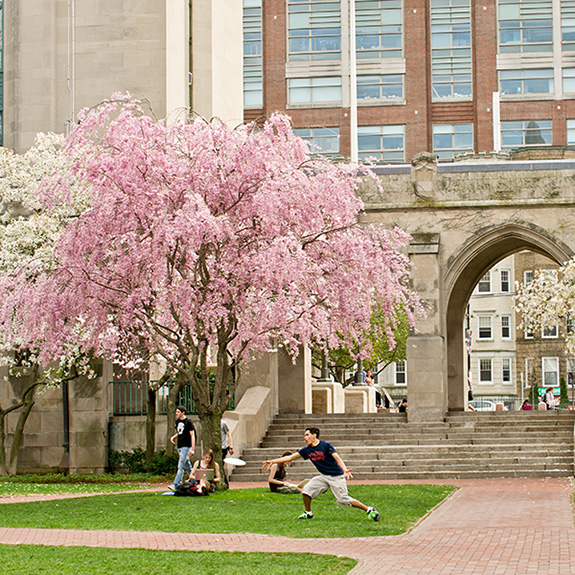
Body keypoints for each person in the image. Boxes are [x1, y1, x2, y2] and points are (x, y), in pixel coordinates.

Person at [262, 427, 380, 522]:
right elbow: (290, 457)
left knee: (343, 500)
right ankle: (308, 513)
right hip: (323, 476)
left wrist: (344, 470)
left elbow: (337, 458)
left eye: (307, 435)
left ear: (314, 436)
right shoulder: (306, 450)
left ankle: (369, 509)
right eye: (304, 435)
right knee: (306, 490)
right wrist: (272, 461)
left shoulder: (326, 445)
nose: (305, 438)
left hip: (336, 477)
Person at [169, 405, 196, 490]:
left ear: (183, 412)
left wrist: (192, 449)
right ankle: (194, 480)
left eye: (178, 412)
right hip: (180, 445)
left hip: (186, 446)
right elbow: (180, 433)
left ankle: (176, 484)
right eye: (176, 412)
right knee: (187, 465)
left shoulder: (188, 422)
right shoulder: (177, 422)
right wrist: (173, 437)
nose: (176, 413)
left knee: (180, 466)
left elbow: (192, 435)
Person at [221, 418, 234, 486]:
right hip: (217, 448)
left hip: (223, 448)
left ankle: (225, 483)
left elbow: (229, 435)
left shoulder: (223, 423)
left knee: (220, 465)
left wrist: (230, 446)